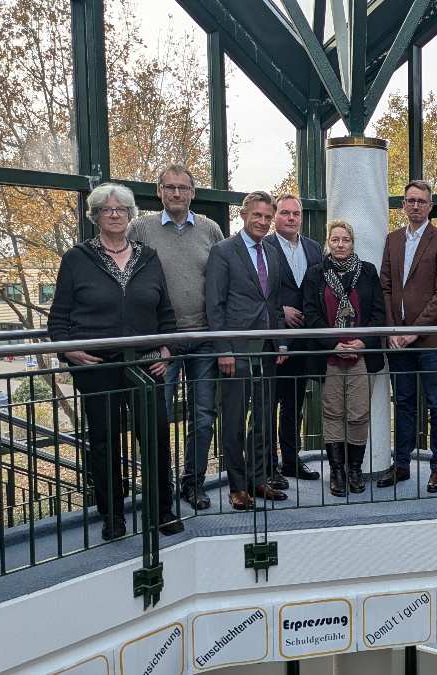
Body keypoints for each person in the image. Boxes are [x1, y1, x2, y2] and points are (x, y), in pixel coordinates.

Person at [47, 182, 184, 540]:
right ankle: (113, 515)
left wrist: (167, 350)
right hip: (98, 366)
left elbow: (165, 313)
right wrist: (68, 350)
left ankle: (162, 510)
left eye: (120, 209)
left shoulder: (148, 256)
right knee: (105, 441)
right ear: (95, 216)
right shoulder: (77, 258)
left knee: (154, 437)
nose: (113, 214)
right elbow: (58, 317)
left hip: (146, 364)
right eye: (106, 210)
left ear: (129, 215)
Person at [128, 163, 224, 511]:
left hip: (203, 339)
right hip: (162, 343)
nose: (176, 194)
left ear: (193, 193)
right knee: (159, 417)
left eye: (183, 188)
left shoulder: (211, 230)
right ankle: (161, 486)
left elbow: (219, 282)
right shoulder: (140, 229)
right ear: (159, 192)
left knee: (202, 416)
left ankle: (193, 483)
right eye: (170, 187)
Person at [204, 191, 289, 510]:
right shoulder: (223, 251)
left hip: (267, 348)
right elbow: (215, 305)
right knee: (235, 420)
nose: (263, 222)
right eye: (258, 216)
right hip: (236, 350)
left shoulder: (272, 251)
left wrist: (281, 340)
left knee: (264, 418)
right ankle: (237, 487)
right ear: (243, 215)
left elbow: (275, 301)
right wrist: (223, 349)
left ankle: (258, 479)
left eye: (268, 217)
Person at [378, 180, 437, 492]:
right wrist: (393, 330)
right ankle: (401, 465)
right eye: (410, 200)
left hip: (431, 342)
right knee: (403, 403)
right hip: (398, 341)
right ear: (403, 205)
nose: (415, 205)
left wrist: (414, 331)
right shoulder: (392, 240)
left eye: (421, 201)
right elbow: (386, 286)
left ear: (430, 206)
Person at [302, 220, 387, 496]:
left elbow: (378, 314)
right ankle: (337, 472)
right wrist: (334, 344)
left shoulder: (368, 272)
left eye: (345, 240)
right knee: (332, 413)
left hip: (361, 356)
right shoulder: (316, 273)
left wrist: (362, 342)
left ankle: (354, 470)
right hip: (330, 357)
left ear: (353, 243)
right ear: (328, 242)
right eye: (335, 240)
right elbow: (311, 316)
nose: (340, 245)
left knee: (359, 414)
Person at [263, 193, 323, 486]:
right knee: (267, 404)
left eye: (295, 214)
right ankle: (265, 465)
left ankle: (290, 460)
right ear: (275, 216)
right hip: (273, 341)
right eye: (284, 213)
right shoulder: (265, 246)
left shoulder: (313, 248)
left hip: (303, 343)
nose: (290, 218)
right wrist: (280, 311)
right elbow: (257, 291)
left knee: (294, 404)